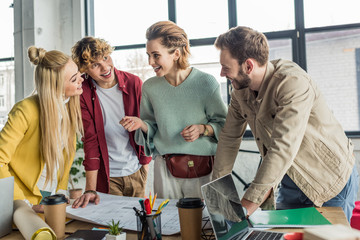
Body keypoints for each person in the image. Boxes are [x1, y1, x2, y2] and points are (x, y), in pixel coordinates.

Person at [212, 26, 359, 221]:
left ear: (248, 66)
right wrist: (217, 191)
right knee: (279, 233)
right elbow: (229, 137)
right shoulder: (240, 91)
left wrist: (248, 204)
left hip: (328, 181)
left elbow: (282, 148)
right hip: (290, 182)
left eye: (226, 67)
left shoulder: (292, 83)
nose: (222, 73)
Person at [120, 21, 227, 199]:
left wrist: (203, 129)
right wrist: (142, 124)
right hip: (165, 169)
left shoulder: (206, 83)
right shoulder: (150, 87)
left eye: (155, 55)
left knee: (207, 223)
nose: (150, 62)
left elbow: (225, 126)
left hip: (205, 168)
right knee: (169, 223)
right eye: (148, 55)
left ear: (176, 53)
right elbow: (153, 127)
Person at [0, 46, 84, 212]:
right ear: (56, 86)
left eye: (79, 74)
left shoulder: (68, 106)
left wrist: (61, 191)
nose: (81, 79)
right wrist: (22, 202)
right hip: (22, 199)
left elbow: (66, 156)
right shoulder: (25, 110)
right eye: (74, 79)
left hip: (51, 196)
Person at [71, 37, 151, 208]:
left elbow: (147, 124)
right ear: (85, 70)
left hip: (136, 171)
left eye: (106, 58)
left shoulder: (133, 83)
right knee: (114, 228)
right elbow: (90, 139)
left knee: (138, 227)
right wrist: (90, 189)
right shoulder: (83, 91)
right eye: (95, 65)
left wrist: (144, 168)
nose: (105, 67)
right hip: (108, 177)